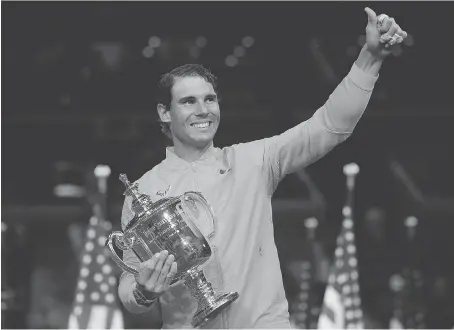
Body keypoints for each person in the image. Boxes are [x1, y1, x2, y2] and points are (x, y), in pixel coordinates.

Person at [118, 8, 408, 328]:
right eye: (188, 101)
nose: (203, 111)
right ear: (164, 113)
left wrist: (370, 58)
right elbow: (130, 288)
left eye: (210, 99)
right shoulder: (143, 191)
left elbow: (329, 126)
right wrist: (144, 291)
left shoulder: (254, 160)